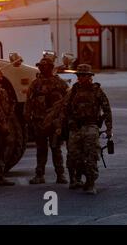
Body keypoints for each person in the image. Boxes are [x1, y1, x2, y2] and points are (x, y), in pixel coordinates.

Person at [64, 64, 112, 194]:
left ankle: (91, 183)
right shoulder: (73, 91)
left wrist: (109, 130)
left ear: (89, 76)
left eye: (83, 75)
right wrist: (69, 123)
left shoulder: (97, 90)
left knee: (91, 155)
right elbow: (66, 109)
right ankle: (76, 178)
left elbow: (107, 110)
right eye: (79, 75)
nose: (80, 78)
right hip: (76, 128)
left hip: (91, 127)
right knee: (73, 156)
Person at [24, 56, 69, 184]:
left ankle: (60, 175)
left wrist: (63, 119)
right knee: (41, 149)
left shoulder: (59, 83)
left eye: (44, 66)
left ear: (50, 67)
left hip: (54, 123)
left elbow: (66, 101)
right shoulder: (35, 84)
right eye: (40, 66)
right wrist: (28, 118)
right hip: (39, 122)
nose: (42, 68)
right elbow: (29, 102)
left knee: (56, 148)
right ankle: (39, 175)